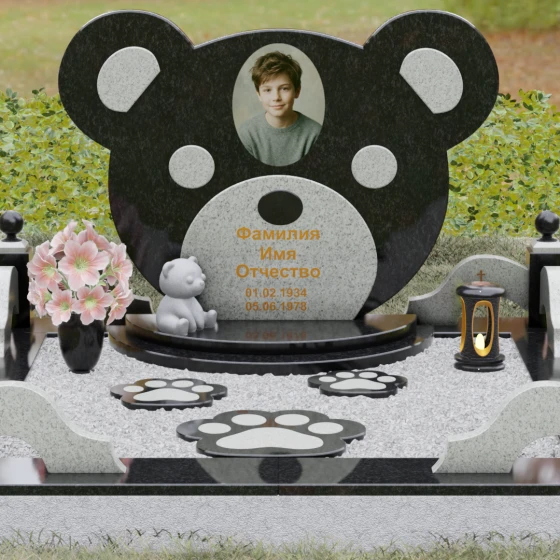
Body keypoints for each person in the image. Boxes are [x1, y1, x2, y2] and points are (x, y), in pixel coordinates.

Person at [237, 51, 322, 166]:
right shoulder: (246, 134)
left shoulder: (315, 134)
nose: (276, 97)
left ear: (297, 91)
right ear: (259, 95)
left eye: (284, 89)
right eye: (267, 90)